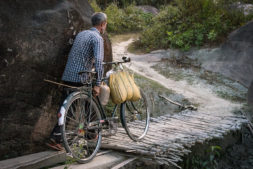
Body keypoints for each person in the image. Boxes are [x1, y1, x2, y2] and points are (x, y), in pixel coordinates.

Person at [46, 12, 107, 150]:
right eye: (105, 25)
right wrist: (98, 84)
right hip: (81, 77)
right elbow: (98, 61)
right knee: (91, 100)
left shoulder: (81, 34)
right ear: (103, 24)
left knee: (67, 108)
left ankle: (87, 134)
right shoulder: (97, 38)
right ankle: (89, 133)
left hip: (68, 75)